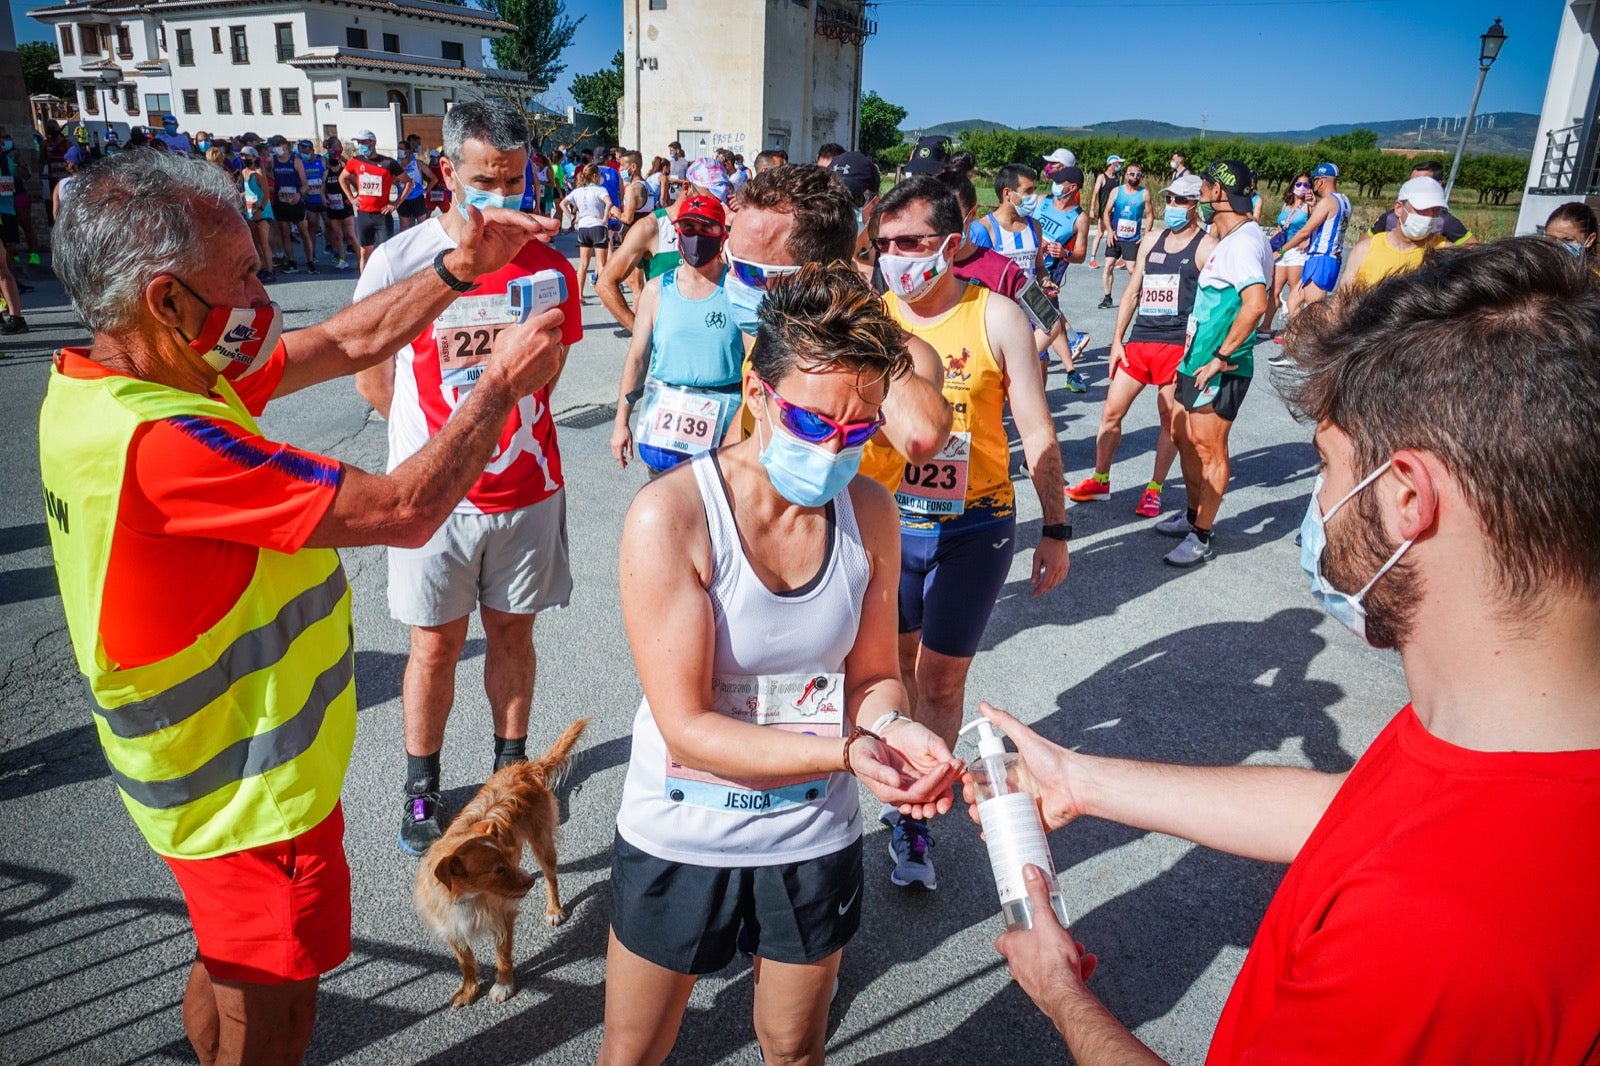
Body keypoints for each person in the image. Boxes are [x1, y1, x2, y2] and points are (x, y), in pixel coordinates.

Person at [974, 238, 1600, 1065]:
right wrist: (1079, 780)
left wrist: (1062, 994)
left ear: (1406, 497)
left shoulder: (1430, 943)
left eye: (1327, 466)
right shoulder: (1506, 734)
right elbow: (1359, 818)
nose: (1321, 503)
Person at [40, 148, 565, 1066]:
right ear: (166, 300)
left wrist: (455, 270)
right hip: (246, 799)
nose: (264, 292)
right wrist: (498, 389)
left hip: (203, 785)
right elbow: (403, 510)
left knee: (229, 969)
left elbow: (346, 344)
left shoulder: (120, 385)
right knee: (272, 1022)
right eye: (242, 274)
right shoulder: (166, 443)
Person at [597, 262, 962, 1066]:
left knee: (795, 1047)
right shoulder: (673, 516)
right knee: (633, 1052)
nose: (835, 447)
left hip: (808, 834)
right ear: (759, 395)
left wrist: (897, 728)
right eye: (812, 422)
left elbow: (871, 677)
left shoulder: (868, 510)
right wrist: (845, 752)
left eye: (859, 429)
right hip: (683, 829)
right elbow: (688, 730)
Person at [350, 102, 584, 857]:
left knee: (514, 636)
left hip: (528, 491)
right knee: (434, 647)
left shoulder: (550, 263)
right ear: (447, 173)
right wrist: (443, 454)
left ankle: (509, 775)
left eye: (515, 180)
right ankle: (422, 789)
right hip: (435, 503)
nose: (503, 196)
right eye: (486, 180)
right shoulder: (399, 261)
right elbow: (372, 382)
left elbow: (552, 372)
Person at [873, 176, 1070, 890]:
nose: (895, 257)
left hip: (975, 524)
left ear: (951, 244)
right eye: (884, 245)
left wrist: (1057, 525)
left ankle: (915, 825)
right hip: (889, 522)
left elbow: (1038, 428)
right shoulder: (871, 317)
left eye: (911, 243)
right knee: (890, 672)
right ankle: (899, 794)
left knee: (943, 677)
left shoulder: (998, 317)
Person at [1067, 173, 1213, 519]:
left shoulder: (1207, 247)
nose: (1172, 206)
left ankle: (1154, 490)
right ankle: (1100, 480)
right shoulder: (1152, 240)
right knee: (1110, 413)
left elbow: (1212, 303)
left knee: (1169, 424)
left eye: (1180, 200)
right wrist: (1117, 340)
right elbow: (1133, 291)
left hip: (1176, 347)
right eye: (1170, 199)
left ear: (1195, 205)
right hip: (1140, 341)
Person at [1157, 160, 1273, 568]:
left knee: (1209, 448)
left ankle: (1202, 534)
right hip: (1198, 360)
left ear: (1218, 192)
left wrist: (1221, 357)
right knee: (1183, 435)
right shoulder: (1234, 236)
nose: (1199, 196)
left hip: (1219, 366)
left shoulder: (1243, 242)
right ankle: (1192, 516)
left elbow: (1257, 304)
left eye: (1204, 188)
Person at [610, 195, 745, 476]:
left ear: (722, 233)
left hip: (724, 430)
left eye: (706, 228)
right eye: (689, 228)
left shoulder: (738, 290)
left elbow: (758, 365)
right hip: (666, 427)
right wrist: (621, 421)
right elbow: (637, 358)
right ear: (677, 233)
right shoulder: (656, 290)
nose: (696, 237)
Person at [596, 158, 731, 332]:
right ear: (686, 188)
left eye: (719, 202)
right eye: (706, 199)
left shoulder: (725, 226)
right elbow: (605, 283)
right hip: (669, 351)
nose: (712, 209)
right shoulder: (652, 227)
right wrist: (641, 333)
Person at [1340, 176, 1448, 292]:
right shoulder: (1365, 249)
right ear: (1399, 208)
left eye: (1436, 210)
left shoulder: (1446, 254)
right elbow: (1341, 299)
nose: (1430, 216)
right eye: (1422, 209)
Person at [1277, 162, 1349, 305]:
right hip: (1328, 257)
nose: (1312, 185)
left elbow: (1305, 231)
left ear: (1321, 180)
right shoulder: (1344, 200)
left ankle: (1322, 328)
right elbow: (1327, 225)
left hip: (1321, 257)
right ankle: (1296, 328)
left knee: (1313, 308)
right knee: (1293, 301)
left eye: (1314, 181)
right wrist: (1314, 205)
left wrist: (1281, 250)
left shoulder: (1328, 201)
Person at [340, 129, 412, 272]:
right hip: (363, 214)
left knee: (386, 253)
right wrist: (352, 198)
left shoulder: (388, 163)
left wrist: (396, 203)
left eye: (363, 142)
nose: (360, 145)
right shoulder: (355, 161)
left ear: (373, 143)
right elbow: (342, 178)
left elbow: (408, 182)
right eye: (359, 142)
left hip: (382, 215)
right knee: (364, 252)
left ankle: (385, 285)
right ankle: (363, 289)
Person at [1369, 160, 1475, 245]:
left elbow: (1475, 253)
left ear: (1438, 184)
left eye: (1422, 181)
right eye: (1412, 182)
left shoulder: (1445, 222)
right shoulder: (1389, 217)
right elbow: (1365, 245)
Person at [1263, 172, 1313, 346]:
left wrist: (1308, 241)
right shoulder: (1286, 206)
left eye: (1306, 185)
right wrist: (1269, 248)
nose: (1301, 188)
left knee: (1295, 293)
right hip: (1282, 252)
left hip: (1296, 253)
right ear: (1292, 186)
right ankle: (1265, 326)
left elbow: (1315, 227)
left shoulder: (1309, 206)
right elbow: (1279, 229)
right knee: (1273, 291)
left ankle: (1293, 331)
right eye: (1298, 184)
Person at [563, 163, 618, 301]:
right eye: (599, 175)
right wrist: (605, 218)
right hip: (598, 226)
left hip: (583, 227)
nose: (600, 177)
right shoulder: (600, 190)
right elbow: (609, 203)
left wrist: (572, 218)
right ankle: (604, 298)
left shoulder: (578, 191)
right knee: (601, 264)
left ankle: (579, 295)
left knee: (583, 264)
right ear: (594, 176)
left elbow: (562, 203)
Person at [1099, 162, 1150, 308]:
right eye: (1132, 174)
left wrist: (1146, 234)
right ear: (1126, 175)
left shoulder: (1144, 193)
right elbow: (1106, 212)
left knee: (1132, 269)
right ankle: (1107, 298)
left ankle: (1140, 297)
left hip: (1132, 239)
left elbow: (1150, 214)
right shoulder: (1116, 191)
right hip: (1115, 237)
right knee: (1108, 266)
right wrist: (1109, 231)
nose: (1135, 177)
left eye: (1138, 174)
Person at [267, 136, 317, 275]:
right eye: (274, 145)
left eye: (279, 144)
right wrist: (274, 182)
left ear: (286, 145)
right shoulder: (273, 160)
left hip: (296, 201)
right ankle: (291, 262)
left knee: (303, 231)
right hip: (281, 201)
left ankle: (310, 261)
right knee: (285, 232)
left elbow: (305, 184)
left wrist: (299, 195)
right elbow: (266, 171)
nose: (276, 147)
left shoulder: (296, 161)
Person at [236, 146, 276, 282]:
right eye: (243, 156)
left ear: (254, 157)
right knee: (256, 242)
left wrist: (260, 210)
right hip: (250, 210)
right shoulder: (243, 172)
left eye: (247, 156)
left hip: (261, 210)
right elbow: (247, 191)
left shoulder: (259, 173)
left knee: (264, 242)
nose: (244, 158)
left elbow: (266, 193)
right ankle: (262, 267)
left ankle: (270, 270)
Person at [321, 138, 357, 271]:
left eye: (339, 148)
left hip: (345, 206)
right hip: (333, 206)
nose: (336, 152)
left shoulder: (344, 167)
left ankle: (361, 258)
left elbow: (357, 184)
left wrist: (353, 198)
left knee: (351, 234)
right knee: (337, 234)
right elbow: (322, 188)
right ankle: (341, 258)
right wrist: (324, 198)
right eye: (334, 149)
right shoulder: (326, 167)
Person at [1086, 155, 1123, 269]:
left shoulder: (1117, 177)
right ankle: (1092, 259)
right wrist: (1092, 208)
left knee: (1117, 233)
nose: (1119, 166)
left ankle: (1119, 259)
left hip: (1115, 210)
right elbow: (1095, 193)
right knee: (1100, 233)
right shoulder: (1102, 177)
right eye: (1118, 164)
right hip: (1104, 211)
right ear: (1112, 164)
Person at [1544, 200, 1600, 270]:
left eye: (1567, 240)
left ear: (1589, 240)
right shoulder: (1537, 269)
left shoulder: (1594, 279)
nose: (1557, 246)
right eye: (1551, 239)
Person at [396, 139, 434, 231]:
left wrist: (426, 190)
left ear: (408, 151)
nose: (399, 151)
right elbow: (391, 181)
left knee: (422, 227)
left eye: (401, 149)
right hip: (403, 199)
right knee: (404, 228)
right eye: (398, 148)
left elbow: (434, 178)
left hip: (417, 199)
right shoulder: (396, 165)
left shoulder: (418, 164)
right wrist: (400, 171)